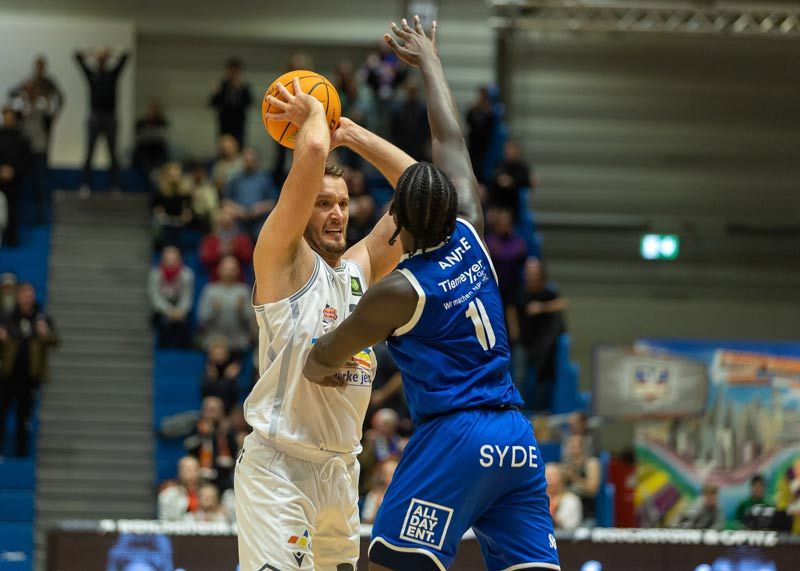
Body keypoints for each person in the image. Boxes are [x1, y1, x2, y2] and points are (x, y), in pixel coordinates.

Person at [303, 17, 560, 571]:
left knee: (390, 564)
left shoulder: (400, 289)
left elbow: (323, 356)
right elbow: (448, 139)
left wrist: (316, 346)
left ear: (396, 222)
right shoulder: (471, 230)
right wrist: (432, 62)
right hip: (516, 437)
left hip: (456, 436)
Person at [233, 70, 417, 570]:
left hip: (341, 473)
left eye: (341, 203)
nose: (336, 214)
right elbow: (311, 154)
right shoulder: (281, 260)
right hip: (279, 468)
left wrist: (352, 132)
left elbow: (422, 195)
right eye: (321, 204)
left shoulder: (357, 271)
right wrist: (314, 113)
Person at [0, 283, 58, 457]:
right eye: (23, 294)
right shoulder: (7, 318)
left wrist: (45, 334)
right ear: (18, 297)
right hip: (7, 377)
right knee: (1, 416)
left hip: (29, 379)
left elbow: (54, 340)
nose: (26, 298)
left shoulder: (41, 318)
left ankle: (21, 458)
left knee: (24, 421)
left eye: (29, 294)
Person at [9, 56, 64, 223]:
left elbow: (60, 98)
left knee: (40, 180)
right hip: (24, 148)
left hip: (39, 145)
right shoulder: (21, 105)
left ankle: (42, 215)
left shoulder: (47, 88)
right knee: (22, 181)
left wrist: (54, 113)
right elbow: (11, 94)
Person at [508, 257, 567, 412]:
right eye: (529, 272)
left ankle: (541, 411)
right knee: (519, 376)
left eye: (535, 272)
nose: (532, 276)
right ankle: (516, 409)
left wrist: (542, 307)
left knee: (542, 379)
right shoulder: (519, 292)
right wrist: (514, 331)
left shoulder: (547, 292)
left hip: (541, 344)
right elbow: (511, 310)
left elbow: (562, 303)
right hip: (523, 342)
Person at [74, 47, 129, 197]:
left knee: (113, 154)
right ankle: (86, 185)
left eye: (104, 58)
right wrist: (92, 53)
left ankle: (115, 186)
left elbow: (126, 56)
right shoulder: (92, 74)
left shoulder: (113, 74)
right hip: (95, 116)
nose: (102, 60)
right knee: (89, 152)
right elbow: (77, 56)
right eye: (101, 58)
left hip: (110, 117)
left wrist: (110, 54)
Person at [196, 256, 253, 356]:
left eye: (232, 269)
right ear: (219, 270)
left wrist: (242, 310)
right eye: (225, 269)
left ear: (238, 271)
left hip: (238, 344)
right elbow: (201, 319)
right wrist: (213, 310)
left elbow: (252, 320)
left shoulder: (244, 291)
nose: (228, 272)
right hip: (213, 344)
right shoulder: (210, 290)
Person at [223, 147, 277, 240]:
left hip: (260, 221)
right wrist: (238, 210)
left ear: (257, 161)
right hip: (239, 221)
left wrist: (259, 208)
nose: (249, 163)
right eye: (247, 160)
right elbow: (226, 201)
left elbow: (273, 202)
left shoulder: (264, 178)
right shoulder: (235, 179)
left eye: (252, 160)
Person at [148, 246, 194, 349]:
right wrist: (169, 312)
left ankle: (183, 352)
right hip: (162, 310)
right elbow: (156, 298)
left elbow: (187, 297)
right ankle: (162, 351)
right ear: (162, 260)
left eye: (174, 260)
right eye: (168, 260)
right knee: (163, 323)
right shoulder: (155, 274)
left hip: (180, 310)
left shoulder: (187, 274)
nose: (171, 263)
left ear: (180, 260)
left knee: (184, 324)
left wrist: (180, 311)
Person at [0, 105, 31, 247]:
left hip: (14, 181)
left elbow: (25, 161)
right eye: (5, 117)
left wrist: (13, 171)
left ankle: (12, 239)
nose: (7, 120)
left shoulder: (22, 140)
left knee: (13, 211)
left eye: (10, 118)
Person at [198, 204, 253, 281]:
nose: (226, 218)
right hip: (216, 282)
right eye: (223, 214)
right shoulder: (209, 239)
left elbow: (248, 257)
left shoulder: (242, 238)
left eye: (229, 215)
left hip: (239, 282)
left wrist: (235, 249)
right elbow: (204, 259)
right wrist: (220, 251)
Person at [209, 58, 252, 148]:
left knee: (239, 146)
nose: (233, 73)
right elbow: (212, 103)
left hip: (239, 123)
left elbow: (249, 102)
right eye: (231, 70)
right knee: (223, 146)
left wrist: (240, 90)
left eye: (235, 71)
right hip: (225, 122)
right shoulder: (222, 85)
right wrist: (214, 93)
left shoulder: (244, 86)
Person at [562, 434, 600, 520]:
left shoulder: (591, 463)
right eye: (570, 446)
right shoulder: (566, 465)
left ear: (583, 447)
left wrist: (574, 477)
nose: (572, 449)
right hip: (567, 511)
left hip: (586, 512)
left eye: (575, 446)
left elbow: (592, 489)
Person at [133, 99, 169, 186]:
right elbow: (138, 136)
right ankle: (152, 174)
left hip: (158, 149)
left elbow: (165, 136)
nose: (151, 112)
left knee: (162, 152)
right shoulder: (141, 122)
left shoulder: (162, 121)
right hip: (145, 149)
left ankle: (156, 172)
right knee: (143, 155)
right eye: (150, 110)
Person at [158, 456, 202, 521]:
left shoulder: (208, 493)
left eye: (195, 469)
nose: (192, 473)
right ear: (179, 472)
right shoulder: (168, 495)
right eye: (188, 469)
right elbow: (165, 521)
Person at [466, 85, 493, 183]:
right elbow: (469, 120)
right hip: (474, 142)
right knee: (473, 164)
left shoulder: (490, 108)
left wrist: (487, 111)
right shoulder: (475, 108)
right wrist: (474, 109)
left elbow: (490, 124)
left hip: (486, 143)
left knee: (483, 166)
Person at [545, 463, 583, 531]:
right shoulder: (536, 499)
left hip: (564, 539)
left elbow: (571, 527)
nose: (549, 479)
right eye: (547, 476)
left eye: (553, 475)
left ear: (562, 478)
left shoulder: (571, 500)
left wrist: (555, 520)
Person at [362, 460, 399, 524]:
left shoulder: (402, 496)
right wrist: (378, 508)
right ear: (383, 477)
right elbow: (367, 520)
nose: (394, 477)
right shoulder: (374, 495)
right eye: (390, 474)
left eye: (396, 474)